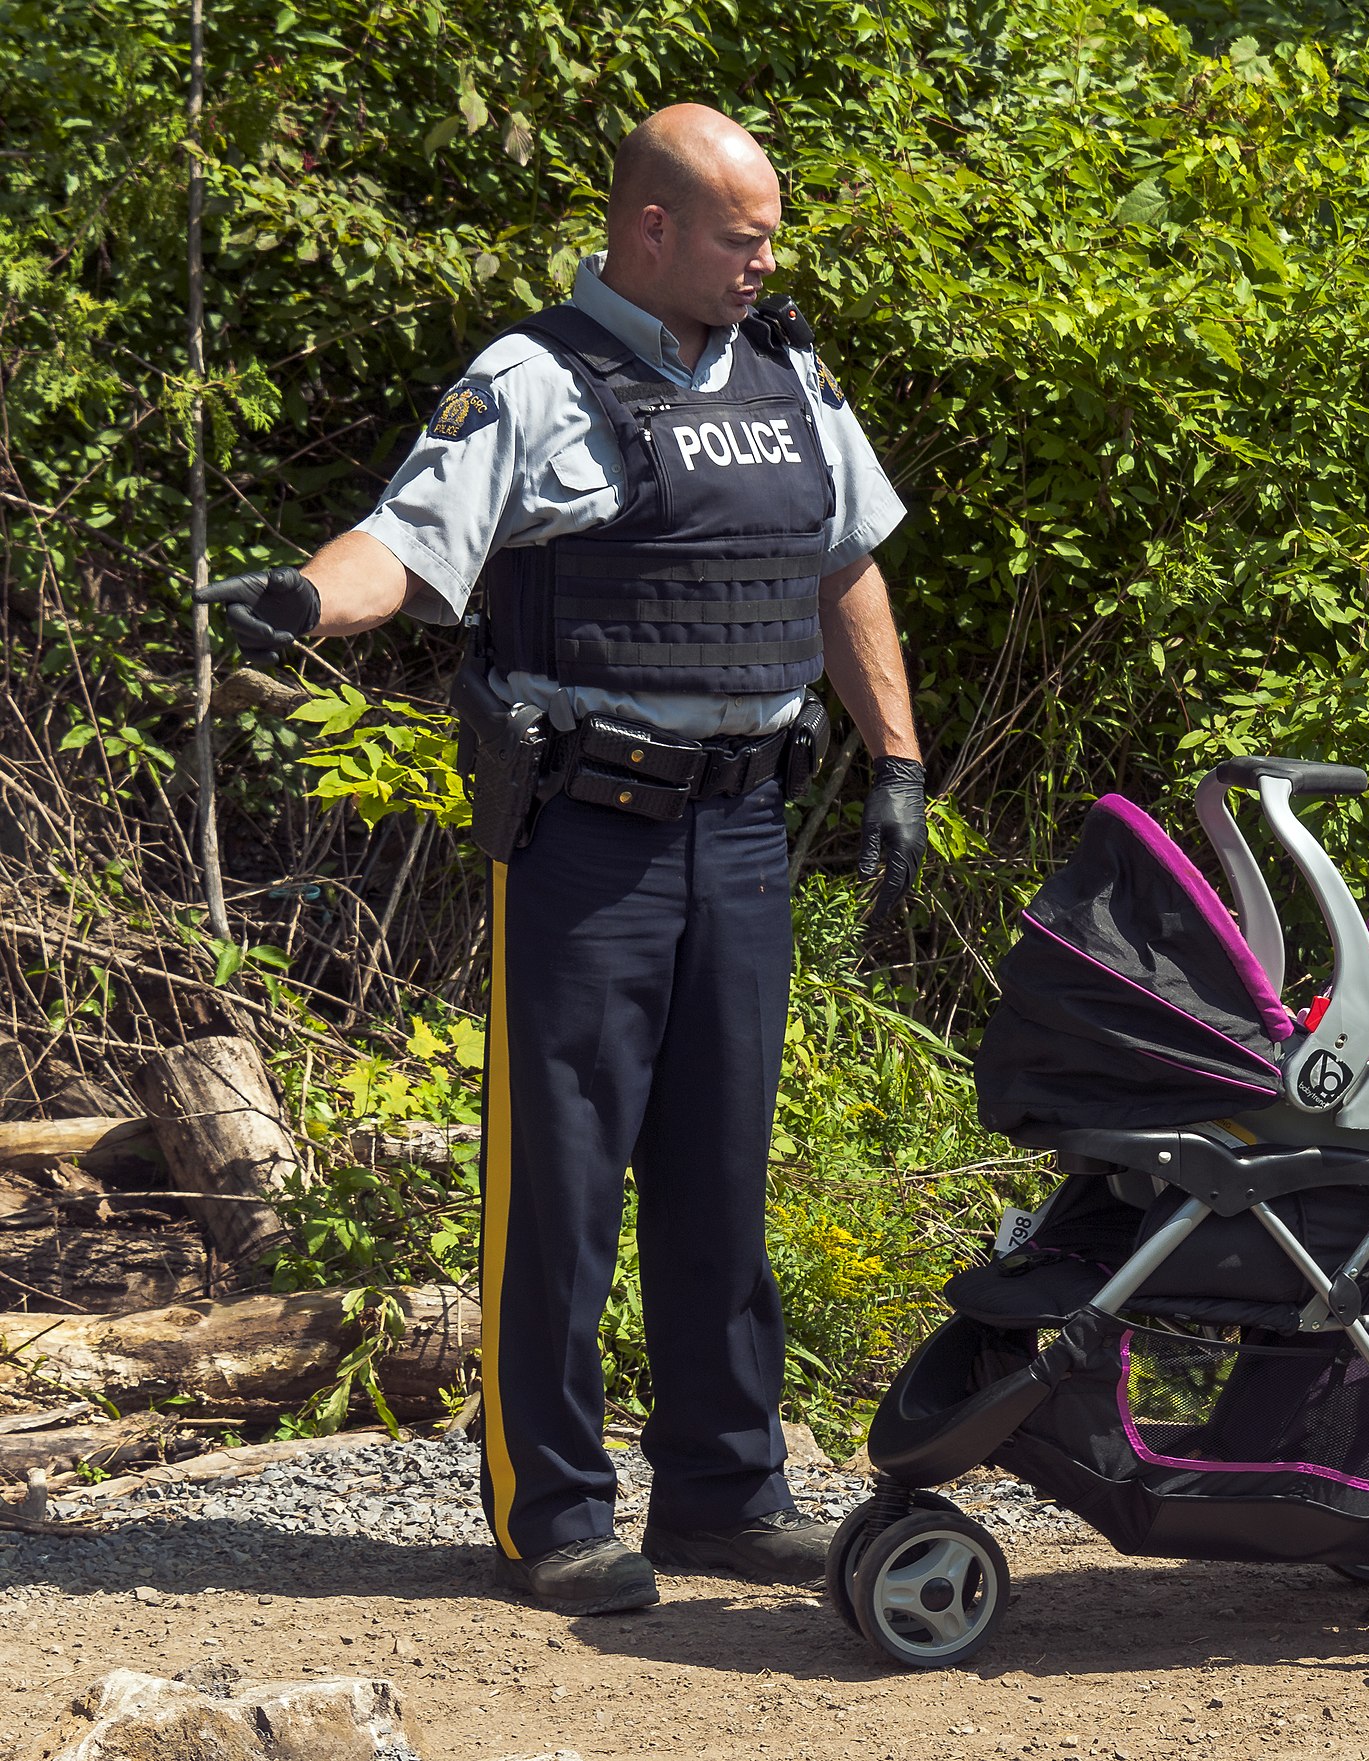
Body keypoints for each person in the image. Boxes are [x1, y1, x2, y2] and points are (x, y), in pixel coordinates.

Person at [198, 105, 928, 1615]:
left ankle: (728, 1489)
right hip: (590, 832)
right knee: (568, 1175)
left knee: (723, 1168)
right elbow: (404, 541)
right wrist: (304, 602)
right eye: (743, 236)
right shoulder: (533, 381)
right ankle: (559, 1512)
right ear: (650, 228)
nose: (766, 260)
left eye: (771, 234)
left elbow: (842, 559)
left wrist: (899, 761)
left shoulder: (787, 373)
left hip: (746, 824)